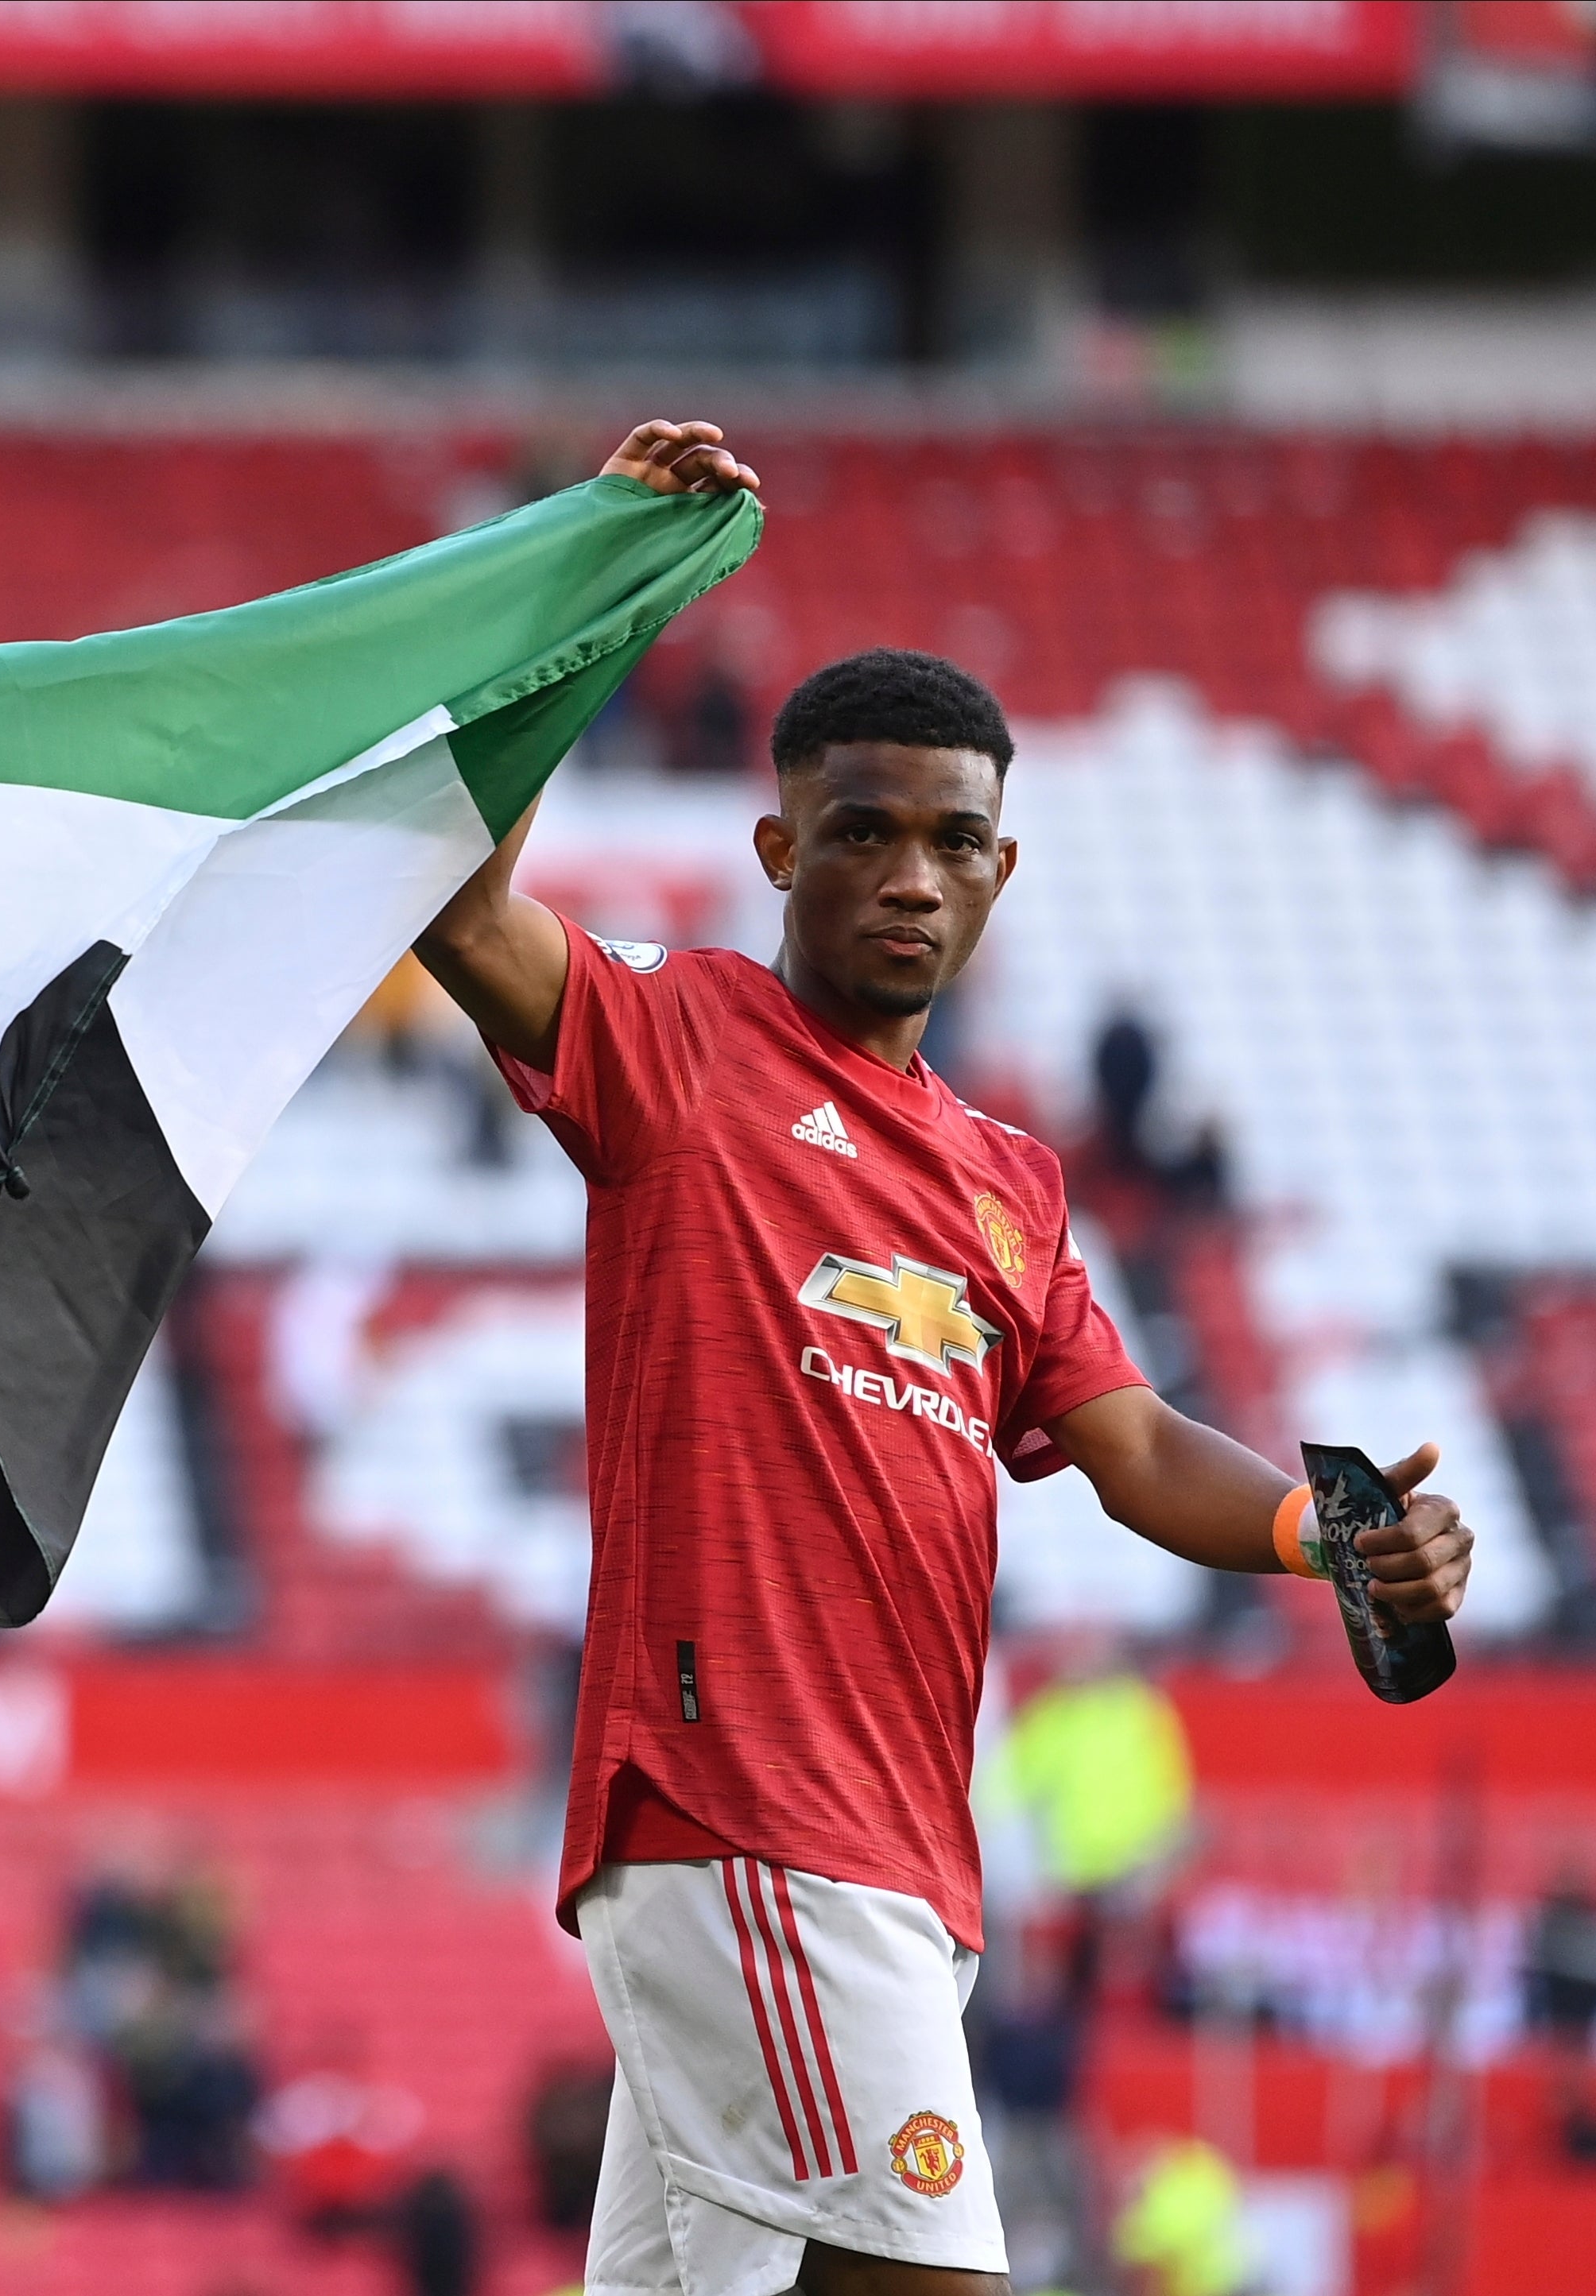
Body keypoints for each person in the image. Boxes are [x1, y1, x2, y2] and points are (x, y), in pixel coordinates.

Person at [409, 421, 1476, 2296]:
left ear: (1001, 871)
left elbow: (1132, 1444)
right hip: (751, 1817)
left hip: (895, 1850)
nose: (911, 875)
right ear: (776, 848)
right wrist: (583, 590)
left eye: (952, 841)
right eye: (864, 831)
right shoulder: (685, 1044)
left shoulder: (1007, 1185)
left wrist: (1327, 1528)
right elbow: (462, 912)